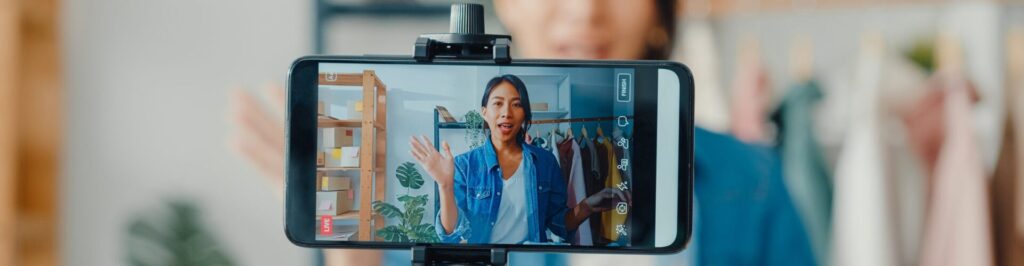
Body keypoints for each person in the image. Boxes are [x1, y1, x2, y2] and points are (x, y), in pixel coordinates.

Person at [232, 0, 814, 265]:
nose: (586, 11)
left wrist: (593, 206)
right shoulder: (459, 172)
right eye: (497, 106)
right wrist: (352, 254)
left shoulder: (751, 182)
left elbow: (564, 219)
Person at [408, 75, 627, 244]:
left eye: (516, 104)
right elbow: (451, 234)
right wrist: (445, 186)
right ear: (484, 112)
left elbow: (560, 224)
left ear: (525, 114)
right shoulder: (465, 166)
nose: (507, 113)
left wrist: (587, 206)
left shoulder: (545, 161)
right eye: (498, 104)